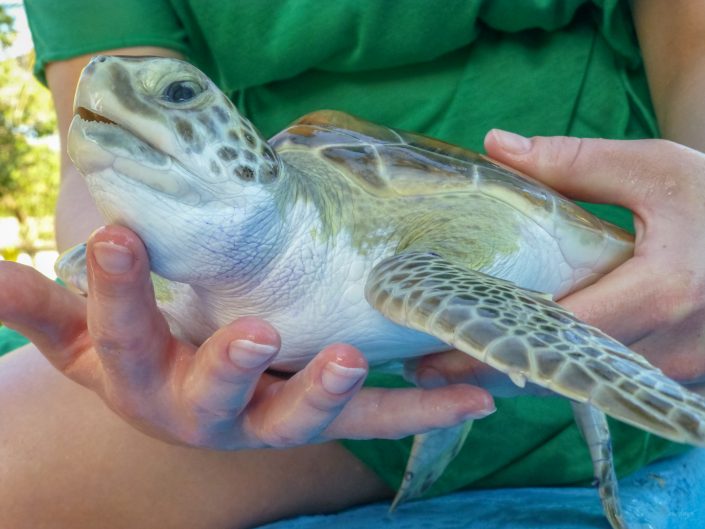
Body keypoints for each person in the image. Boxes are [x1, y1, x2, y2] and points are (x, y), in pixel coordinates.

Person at [1, 1, 704, 528]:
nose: (107, 87)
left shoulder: (392, 267)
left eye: (177, 94)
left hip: (639, 277)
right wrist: (130, 335)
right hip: (256, 357)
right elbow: (93, 154)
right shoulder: (175, 286)